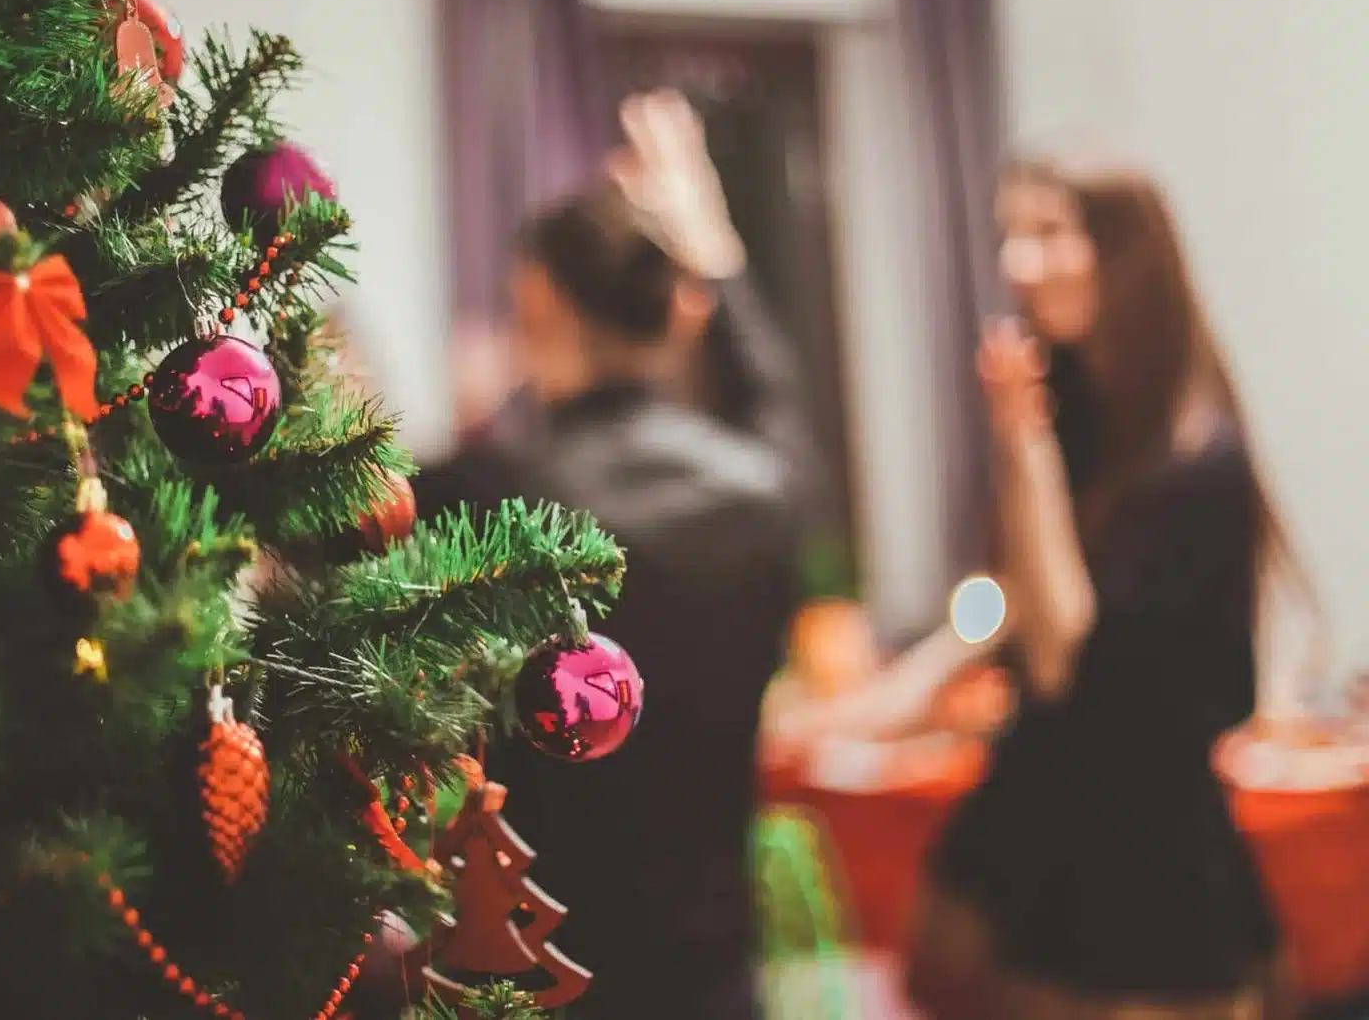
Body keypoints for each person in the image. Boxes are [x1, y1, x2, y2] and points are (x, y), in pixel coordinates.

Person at [415, 90, 819, 1020]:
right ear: (681, 311)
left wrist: (469, 423)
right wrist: (718, 253)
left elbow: (325, 535)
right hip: (715, 980)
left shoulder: (483, 494)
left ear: (538, 303)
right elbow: (775, 396)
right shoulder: (766, 486)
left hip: (537, 973)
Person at [904, 159, 1315, 1020]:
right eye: (1011, 235)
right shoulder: (1086, 424)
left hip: (1151, 890)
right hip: (1055, 857)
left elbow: (1063, 657)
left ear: (1125, 254)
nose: (1019, 262)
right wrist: (894, 690)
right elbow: (1015, 600)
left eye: (1051, 232)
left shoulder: (1197, 460)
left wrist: (1024, 440)